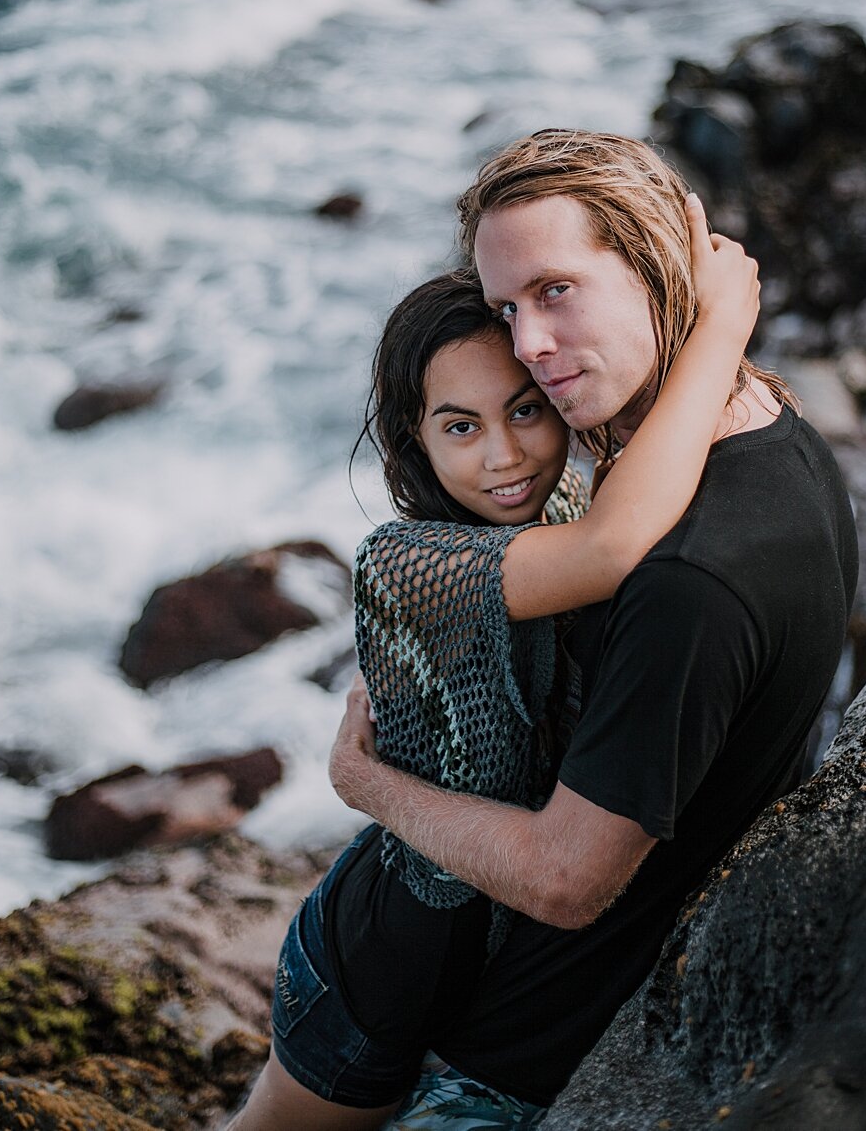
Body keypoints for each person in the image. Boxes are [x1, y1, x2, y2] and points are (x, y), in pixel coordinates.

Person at [330, 129, 859, 1121]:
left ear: (659, 265)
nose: (525, 346)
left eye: (556, 290)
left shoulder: (685, 574)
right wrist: (717, 333)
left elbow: (569, 879)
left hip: (505, 1070)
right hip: (383, 967)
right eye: (504, 308)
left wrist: (360, 783)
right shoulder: (781, 439)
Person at [229, 191, 760, 1130]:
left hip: (477, 979)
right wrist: (719, 324)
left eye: (524, 410)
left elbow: (631, 493)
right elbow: (612, 549)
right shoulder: (409, 565)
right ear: (416, 443)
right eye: (460, 427)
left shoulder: (559, 512)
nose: (506, 456)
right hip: (373, 968)